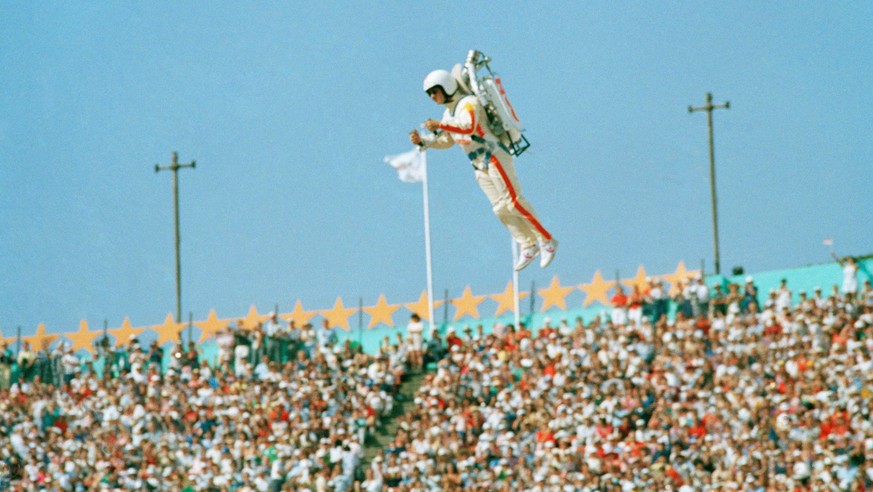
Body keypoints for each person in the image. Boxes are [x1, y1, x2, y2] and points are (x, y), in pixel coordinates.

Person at [410, 68, 557, 271]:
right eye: (430, 94)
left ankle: (546, 239)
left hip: (494, 155)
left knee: (513, 202)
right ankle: (527, 243)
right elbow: (447, 141)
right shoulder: (447, 113)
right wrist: (424, 142)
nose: (433, 97)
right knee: (499, 208)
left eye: (435, 91)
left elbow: (468, 127)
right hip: (478, 164)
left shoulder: (468, 103)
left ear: (446, 86)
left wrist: (441, 124)